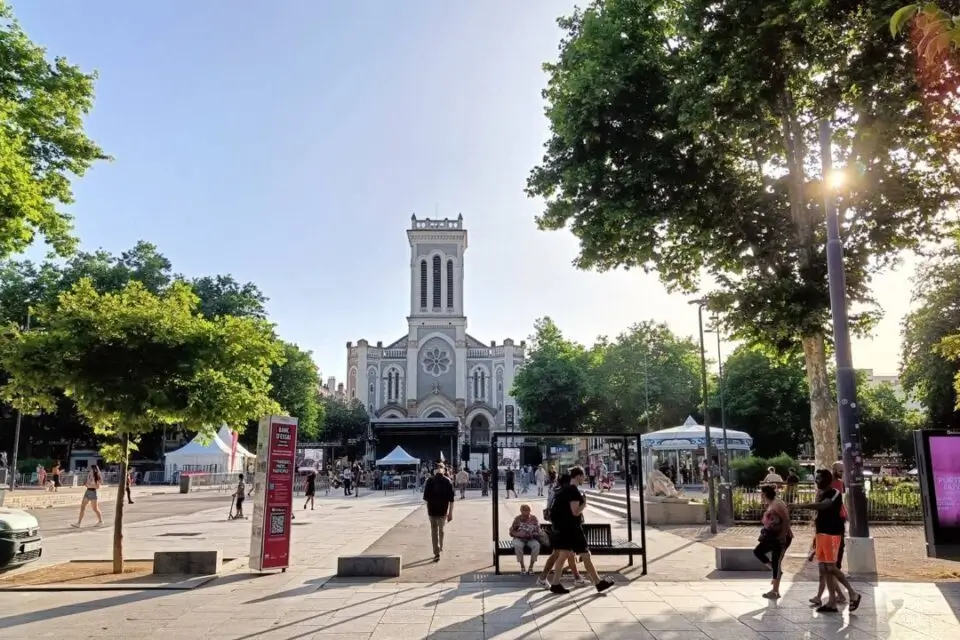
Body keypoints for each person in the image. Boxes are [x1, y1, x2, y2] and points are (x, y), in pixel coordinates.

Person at [796, 469, 861, 613]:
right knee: (824, 569)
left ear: (826, 480)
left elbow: (825, 505)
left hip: (832, 534)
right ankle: (832, 602)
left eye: (819, 478)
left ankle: (853, 593)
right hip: (822, 534)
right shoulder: (821, 493)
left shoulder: (834, 493)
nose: (816, 481)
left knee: (831, 568)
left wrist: (801, 506)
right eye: (816, 478)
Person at [546, 466, 614, 594]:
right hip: (573, 529)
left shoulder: (564, 490)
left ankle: (555, 583)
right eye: (583, 476)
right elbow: (575, 512)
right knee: (585, 555)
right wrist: (584, 503)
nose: (585, 478)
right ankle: (598, 582)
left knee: (563, 555)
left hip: (563, 528)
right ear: (578, 476)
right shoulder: (573, 491)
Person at [536, 473, 585, 587]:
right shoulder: (566, 492)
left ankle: (576, 577)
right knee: (560, 553)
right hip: (564, 527)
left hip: (557, 526)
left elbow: (549, 507)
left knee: (564, 553)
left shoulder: (555, 491)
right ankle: (549, 579)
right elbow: (573, 510)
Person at [753, 485, 792, 599]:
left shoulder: (777, 504)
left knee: (776, 561)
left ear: (765, 494)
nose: (760, 495)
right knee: (758, 552)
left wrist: (783, 536)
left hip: (781, 537)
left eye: (761, 493)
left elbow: (786, 520)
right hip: (771, 536)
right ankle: (775, 570)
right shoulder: (771, 504)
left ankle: (775, 591)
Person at [423, 463, 455, 562]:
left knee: (434, 531)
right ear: (444, 470)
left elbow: (425, 498)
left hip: (432, 510)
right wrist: (450, 513)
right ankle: (440, 546)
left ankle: (436, 552)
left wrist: (428, 508)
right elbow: (452, 499)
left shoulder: (429, 480)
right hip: (443, 510)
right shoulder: (448, 481)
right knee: (441, 530)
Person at [509, 504, 542, 574]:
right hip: (519, 539)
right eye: (525, 511)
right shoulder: (517, 519)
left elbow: (538, 531)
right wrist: (517, 534)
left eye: (528, 510)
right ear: (521, 511)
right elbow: (511, 531)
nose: (527, 513)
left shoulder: (534, 518)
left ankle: (531, 567)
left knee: (536, 545)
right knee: (518, 546)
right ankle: (522, 567)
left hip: (531, 538)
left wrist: (533, 534)